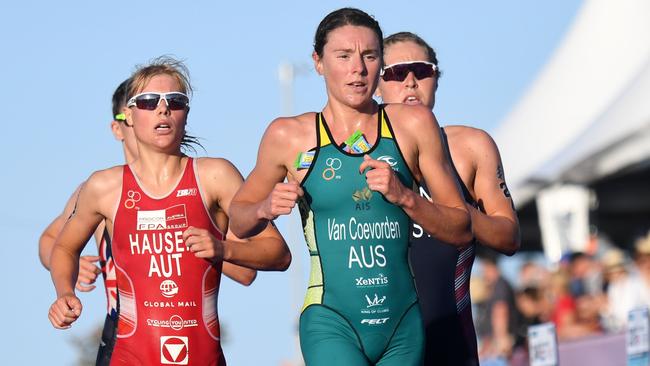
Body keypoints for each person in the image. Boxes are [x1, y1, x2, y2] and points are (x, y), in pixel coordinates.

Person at [229, 8, 471, 366]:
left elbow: (461, 227)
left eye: (369, 56)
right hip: (331, 321)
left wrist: (406, 198)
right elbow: (238, 219)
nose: (358, 69)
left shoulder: (414, 125)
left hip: (402, 325)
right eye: (343, 56)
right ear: (319, 62)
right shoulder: (288, 136)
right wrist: (264, 208)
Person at [47, 57, 290, 365]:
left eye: (175, 101)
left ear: (186, 114)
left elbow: (279, 253)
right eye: (148, 101)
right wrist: (64, 292)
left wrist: (222, 248)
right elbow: (63, 247)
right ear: (130, 116)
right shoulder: (104, 187)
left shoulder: (215, 175)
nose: (163, 109)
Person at [375, 31, 520, 365]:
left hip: (450, 341)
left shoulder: (470, 147)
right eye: (396, 73)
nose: (410, 82)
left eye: (421, 71)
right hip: (381, 345)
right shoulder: (356, 154)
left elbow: (508, 237)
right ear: (377, 84)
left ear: (436, 80)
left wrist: (452, 210)